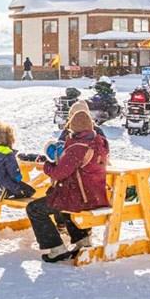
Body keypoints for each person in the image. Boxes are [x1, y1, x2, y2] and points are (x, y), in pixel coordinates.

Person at [27, 104, 110, 263]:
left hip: (81, 198)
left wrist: (46, 165)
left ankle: (56, 248)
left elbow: (58, 173)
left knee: (34, 209)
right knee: (62, 205)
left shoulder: (77, 147)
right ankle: (82, 241)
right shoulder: (100, 142)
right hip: (96, 195)